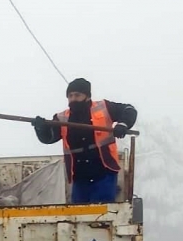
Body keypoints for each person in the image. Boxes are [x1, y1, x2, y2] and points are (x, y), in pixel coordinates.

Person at [32, 77, 137, 205]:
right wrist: (40, 128)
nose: (73, 99)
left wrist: (123, 124)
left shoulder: (104, 107)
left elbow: (129, 110)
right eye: (70, 96)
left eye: (77, 95)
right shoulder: (61, 117)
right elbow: (48, 138)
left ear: (87, 96)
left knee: (101, 212)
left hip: (104, 172)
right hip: (79, 176)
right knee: (80, 215)